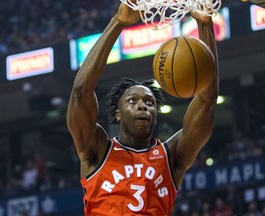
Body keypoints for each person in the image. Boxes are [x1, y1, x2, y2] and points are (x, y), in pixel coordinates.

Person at [66, 0, 219, 215]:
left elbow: (207, 100)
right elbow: (81, 91)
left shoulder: (172, 156)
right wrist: (118, 22)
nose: (142, 106)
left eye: (149, 103)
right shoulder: (97, 150)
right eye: (132, 101)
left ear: (156, 116)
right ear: (118, 114)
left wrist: (204, 23)